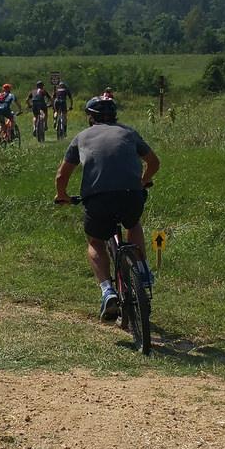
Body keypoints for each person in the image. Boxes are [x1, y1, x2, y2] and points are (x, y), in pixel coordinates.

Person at [55, 95, 160, 323]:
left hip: (98, 199)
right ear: (114, 115)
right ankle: (141, 270)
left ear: (90, 117)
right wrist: (143, 180)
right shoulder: (128, 133)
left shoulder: (81, 137)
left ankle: (107, 291)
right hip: (130, 195)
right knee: (133, 224)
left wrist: (62, 196)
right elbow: (154, 162)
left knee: (95, 241)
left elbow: (62, 175)